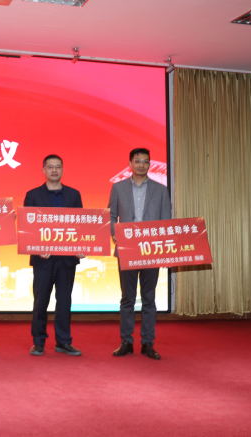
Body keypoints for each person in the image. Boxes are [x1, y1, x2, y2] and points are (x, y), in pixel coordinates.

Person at [109, 147, 172, 360]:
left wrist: (163, 249)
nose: (141, 165)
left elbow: (166, 221)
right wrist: (115, 234)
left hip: (150, 251)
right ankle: (126, 342)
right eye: (137, 161)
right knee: (127, 298)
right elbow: (111, 216)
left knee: (148, 298)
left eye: (145, 161)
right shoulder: (118, 188)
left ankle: (148, 343)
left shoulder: (161, 190)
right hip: (126, 249)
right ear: (130, 164)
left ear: (149, 164)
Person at [23, 154, 83, 356]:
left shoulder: (74, 195)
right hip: (43, 259)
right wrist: (37, 247)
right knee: (41, 301)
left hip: (67, 259)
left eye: (58, 167)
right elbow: (28, 227)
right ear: (44, 170)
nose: (54, 170)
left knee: (64, 301)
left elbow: (81, 224)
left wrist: (81, 246)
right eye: (50, 167)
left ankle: (63, 342)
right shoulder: (33, 195)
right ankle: (38, 342)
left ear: (62, 170)